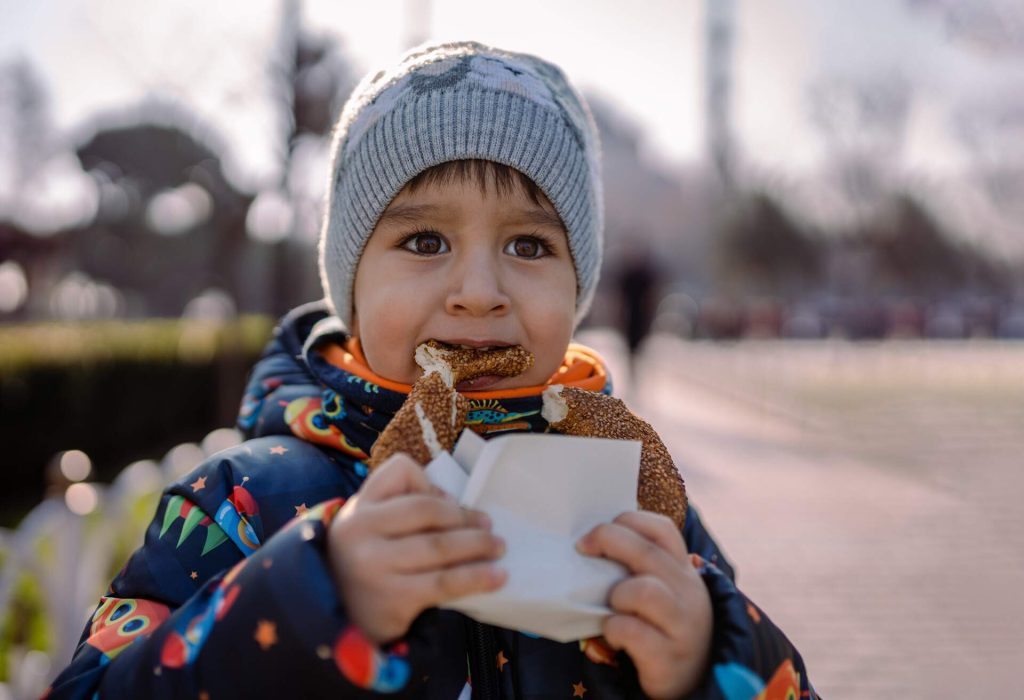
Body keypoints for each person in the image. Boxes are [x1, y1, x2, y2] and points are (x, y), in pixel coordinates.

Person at [46, 42, 816, 699]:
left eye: (528, 247)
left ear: (578, 289)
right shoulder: (246, 502)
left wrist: (711, 656)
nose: (479, 294)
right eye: (424, 243)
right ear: (350, 286)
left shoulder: (637, 498)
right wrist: (314, 592)